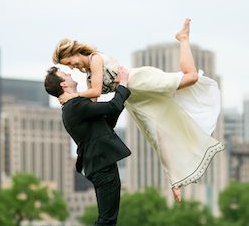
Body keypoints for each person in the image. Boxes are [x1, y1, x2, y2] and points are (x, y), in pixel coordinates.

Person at [53, 19, 224, 202]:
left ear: (74, 52)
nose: (72, 67)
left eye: (70, 62)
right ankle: (175, 181)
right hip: (134, 99)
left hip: (138, 81)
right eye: (68, 66)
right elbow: (93, 104)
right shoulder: (89, 76)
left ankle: (183, 38)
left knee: (191, 78)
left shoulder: (94, 59)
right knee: (156, 135)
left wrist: (71, 97)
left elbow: (95, 92)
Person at [44, 65, 131, 226]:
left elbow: (107, 119)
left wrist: (119, 98)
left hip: (97, 164)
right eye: (66, 75)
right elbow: (112, 105)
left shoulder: (72, 108)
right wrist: (122, 84)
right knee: (107, 221)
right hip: (102, 165)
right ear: (63, 84)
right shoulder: (75, 105)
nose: (71, 74)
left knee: (102, 218)